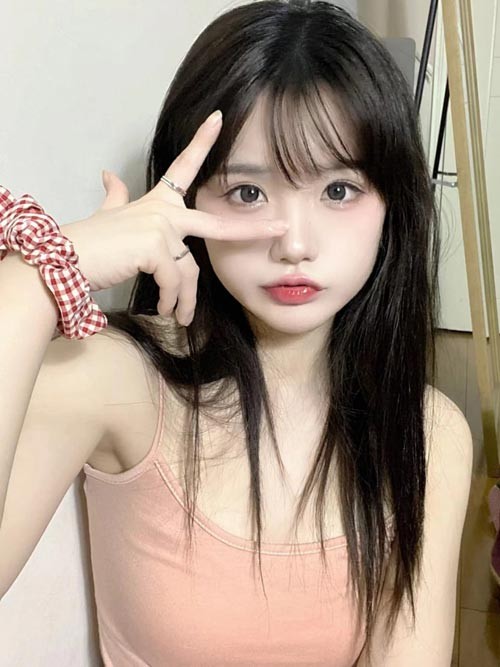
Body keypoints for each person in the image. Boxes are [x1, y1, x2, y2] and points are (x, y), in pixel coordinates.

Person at [0, 1, 473, 665]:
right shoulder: (113, 379)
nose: (295, 245)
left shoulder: (428, 432)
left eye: (339, 190)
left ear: (392, 203)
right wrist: (40, 273)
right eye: (248, 193)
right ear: (186, 200)